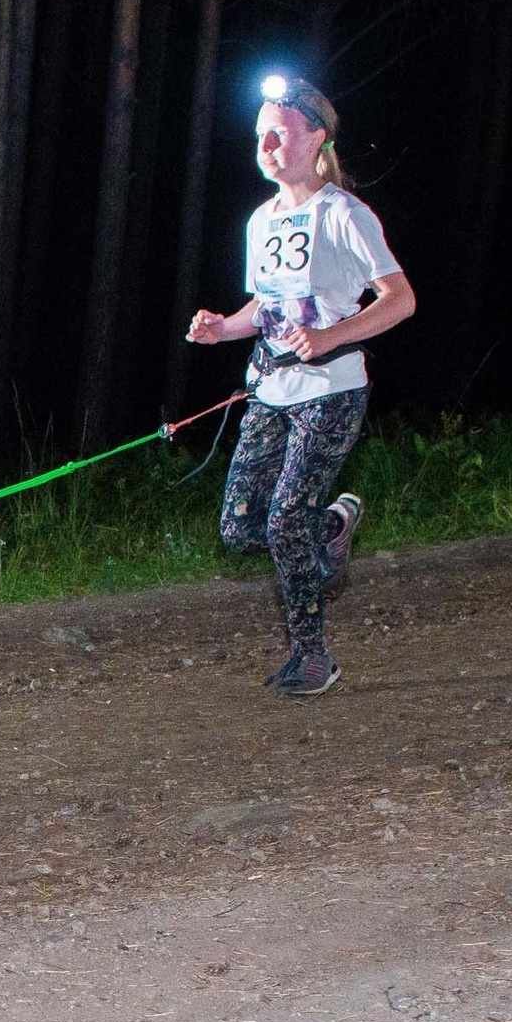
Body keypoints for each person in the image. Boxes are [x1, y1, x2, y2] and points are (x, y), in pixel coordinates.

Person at [184, 76, 417, 698]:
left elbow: (400, 300)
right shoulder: (261, 221)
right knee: (238, 528)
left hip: (332, 390)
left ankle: (313, 658)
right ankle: (332, 527)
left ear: (316, 137)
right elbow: (266, 308)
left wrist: (336, 335)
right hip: (270, 389)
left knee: (286, 518)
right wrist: (220, 328)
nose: (265, 143)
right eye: (260, 133)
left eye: (279, 132)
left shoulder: (345, 214)